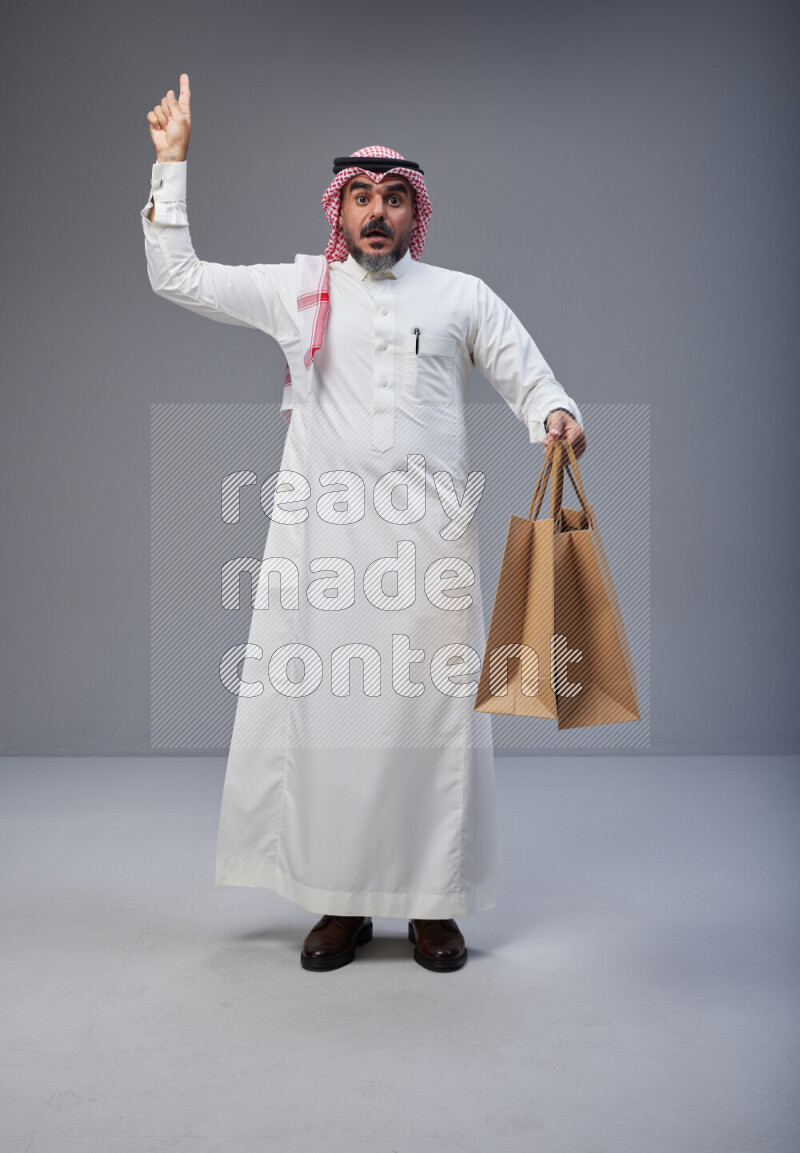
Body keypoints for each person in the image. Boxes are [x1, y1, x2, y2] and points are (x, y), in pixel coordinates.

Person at [142, 74, 587, 974]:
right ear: (337, 211)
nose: (375, 213)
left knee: (430, 725)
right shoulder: (300, 289)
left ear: (413, 214)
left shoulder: (461, 295)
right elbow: (178, 276)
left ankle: (432, 906)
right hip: (325, 550)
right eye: (359, 197)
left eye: (391, 199)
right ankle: (340, 901)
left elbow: (528, 375)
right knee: (331, 722)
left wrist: (556, 416)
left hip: (431, 553)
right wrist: (171, 166)